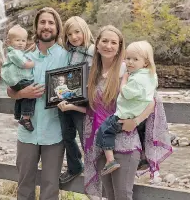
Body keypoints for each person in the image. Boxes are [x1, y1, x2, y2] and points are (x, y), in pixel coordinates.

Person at [58, 26, 172, 199]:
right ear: (96, 45)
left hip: (125, 143)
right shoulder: (93, 74)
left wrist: (136, 121)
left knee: (123, 195)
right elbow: (95, 110)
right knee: (109, 195)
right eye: (104, 41)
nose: (108, 46)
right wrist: (73, 107)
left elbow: (153, 101)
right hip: (102, 144)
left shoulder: (129, 70)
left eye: (114, 43)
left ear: (120, 47)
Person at [7, 7, 69, 200]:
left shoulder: (66, 56)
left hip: (55, 131)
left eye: (51, 22)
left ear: (57, 28)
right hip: (28, 132)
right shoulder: (24, 56)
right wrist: (22, 93)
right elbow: (10, 90)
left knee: (50, 187)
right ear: (36, 26)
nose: (46, 26)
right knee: (24, 185)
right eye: (42, 22)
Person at [96, 41, 158, 175]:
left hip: (125, 115)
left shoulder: (135, 79)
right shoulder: (150, 75)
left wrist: (124, 81)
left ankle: (110, 160)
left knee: (104, 130)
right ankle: (145, 157)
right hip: (139, 114)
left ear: (146, 62)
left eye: (135, 59)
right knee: (142, 134)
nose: (130, 62)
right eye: (128, 58)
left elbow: (126, 93)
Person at [58, 16, 95, 184]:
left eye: (77, 32)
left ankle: (94, 170)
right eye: (70, 34)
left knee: (85, 136)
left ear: (85, 31)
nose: (74, 37)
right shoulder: (67, 53)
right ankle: (74, 166)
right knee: (67, 135)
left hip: (83, 102)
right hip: (66, 99)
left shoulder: (94, 51)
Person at [1, 25, 36, 131]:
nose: (21, 43)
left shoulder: (18, 52)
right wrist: (34, 63)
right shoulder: (14, 52)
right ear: (10, 42)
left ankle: (18, 115)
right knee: (31, 93)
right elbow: (23, 64)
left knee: (22, 97)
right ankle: (26, 117)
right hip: (18, 80)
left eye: (23, 41)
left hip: (16, 81)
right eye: (17, 40)